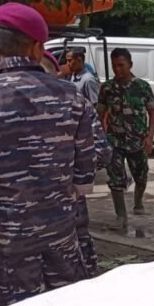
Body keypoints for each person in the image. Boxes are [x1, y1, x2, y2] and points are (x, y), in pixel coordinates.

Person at [0, 2, 95, 306]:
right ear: (38, 47)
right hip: (62, 226)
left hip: (7, 233)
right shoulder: (71, 95)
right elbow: (85, 168)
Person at [40, 51, 112, 277]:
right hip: (68, 209)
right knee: (75, 283)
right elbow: (101, 152)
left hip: (16, 220)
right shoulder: (74, 102)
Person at [97, 48, 154, 227]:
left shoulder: (142, 87)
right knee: (115, 177)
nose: (118, 69)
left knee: (141, 175)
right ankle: (121, 216)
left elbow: (152, 112)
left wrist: (150, 137)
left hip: (137, 140)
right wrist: (102, 136)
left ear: (130, 65)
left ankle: (138, 202)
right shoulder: (107, 88)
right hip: (114, 140)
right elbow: (100, 113)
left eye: (121, 65)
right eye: (114, 66)